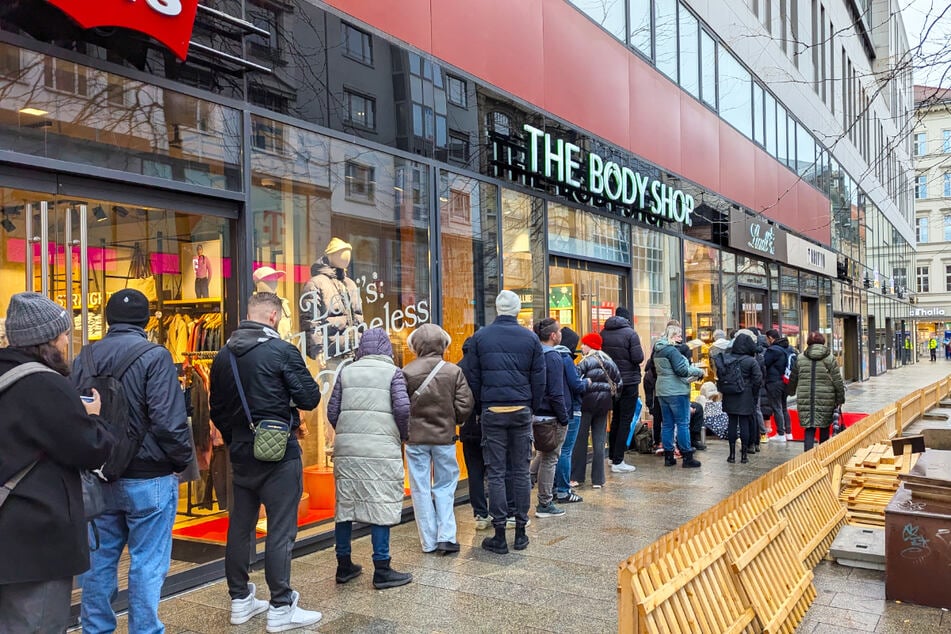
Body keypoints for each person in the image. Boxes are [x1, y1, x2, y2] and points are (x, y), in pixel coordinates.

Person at [75, 289, 195, 634]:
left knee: (99, 562)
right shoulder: (155, 356)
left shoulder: (86, 355)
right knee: (147, 562)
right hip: (150, 476)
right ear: (147, 321)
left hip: (100, 472)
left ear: (110, 319)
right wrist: (180, 460)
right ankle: (144, 629)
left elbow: (76, 410)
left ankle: (95, 628)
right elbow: (167, 420)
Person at [0, 293, 113, 633]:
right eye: (62, 333)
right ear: (46, 339)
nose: (67, 339)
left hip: (9, 527)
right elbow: (90, 448)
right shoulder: (44, 384)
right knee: (37, 624)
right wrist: (93, 418)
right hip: (37, 537)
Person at [209, 292, 323, 631]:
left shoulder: (222, 356)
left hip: (241, 453)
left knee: (240, 528)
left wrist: (238, 440)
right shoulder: (281, 350)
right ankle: (280, 605)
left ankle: (240, 600)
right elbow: (310, 397)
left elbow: (216, 410)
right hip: (278, 452)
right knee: (280, 530)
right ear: (273, 316)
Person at [327, 328, 413, 589]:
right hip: (380, 448)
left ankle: (344, 566)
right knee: (380, 503)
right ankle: (382, 568)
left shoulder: (346, 371)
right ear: (387, 348)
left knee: (346, 506)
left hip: (347, 448)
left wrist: (346, 430)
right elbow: (403, 408)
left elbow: (333, 410)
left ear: (362, 347)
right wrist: (402, 433)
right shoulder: (393, 373)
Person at [467, 290, 545, 555]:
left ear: (497, 309)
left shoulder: (480, 337)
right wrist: (531, 405)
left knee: (496, 471)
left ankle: (499, 533)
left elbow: (474, 378)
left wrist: (480, 407)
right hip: (521, 408)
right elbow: (539, 378)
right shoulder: (531, 338)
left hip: (492, 410)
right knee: (521, 470)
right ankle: (521, 530)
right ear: (516, 310)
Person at [403, 324, 474, 554]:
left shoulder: (406, 371)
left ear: (416, 346)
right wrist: (454, 420)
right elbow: (465, 405)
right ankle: (447, 536)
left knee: (420, 489)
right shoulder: (453, 371)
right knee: (445, 486)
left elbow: (400, 406)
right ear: (443, 344)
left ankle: (428, 541)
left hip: (415, 439)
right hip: (444, 437)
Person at [529, 318, 572, 518]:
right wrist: (564, 417)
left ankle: (527, 482)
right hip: (551, 416)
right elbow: (556, 392)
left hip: (535, 413)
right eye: (559, 331)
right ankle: (544, 503)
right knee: (550, 458)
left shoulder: (533, 354)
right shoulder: (553, 357)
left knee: (542, 454)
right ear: (553, 335)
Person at [571, 332, 622, 489]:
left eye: (584, 344)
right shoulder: (609, 361)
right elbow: (619, 383)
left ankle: (577, 477)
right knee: (599, 442)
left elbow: (576, 381)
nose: (582, 347)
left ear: (590, 345)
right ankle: (598, 480)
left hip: (586, 405)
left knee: (580, 441)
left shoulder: (585, 362)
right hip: (603, 406)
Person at [652, 324, 705, 468]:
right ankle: (687, 456)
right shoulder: (672, 351)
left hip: (662, 390)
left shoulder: (657, 350)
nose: (681, 338)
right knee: (682, 423)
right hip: (677, 391)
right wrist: (698, 372)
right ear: (672, 336)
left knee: (668, 424)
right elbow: (682, 370)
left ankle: (669, 456)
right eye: (679, 335)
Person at [600, 307, 644, 472]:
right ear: (627, 319)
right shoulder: (631, 334)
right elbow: (638, 357)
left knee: (616, 419)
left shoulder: (603, 333)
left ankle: (612, 457)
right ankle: (619, 460)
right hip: (629, 382)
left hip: (611, 382)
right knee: (625, 419)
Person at [788, 332, 846, 452]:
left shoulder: (800, 358)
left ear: (808, 343)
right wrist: (840, 399)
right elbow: (837, 381)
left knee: (809, 428)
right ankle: (822, 455)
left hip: (805, 397)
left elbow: (793, 378)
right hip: (826, 398)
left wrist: (791, 391)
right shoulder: (830, 359)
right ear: (823, 342)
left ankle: (808, 457)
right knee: (824, 427)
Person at [457, 336, 491, 529]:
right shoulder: (485, 367)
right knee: (494, 469)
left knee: (474, 472)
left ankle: (480, 513)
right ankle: (496, 510)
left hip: (468, 426)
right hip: (488, 424)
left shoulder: (457, 368)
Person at [553, 326, 586, 503]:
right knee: (565, 451)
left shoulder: (550, 356)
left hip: (556, 409)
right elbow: (576, 385)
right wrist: (586, 382)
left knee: (553, 452)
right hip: (571, 408)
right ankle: (563, 490)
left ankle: (551, 488)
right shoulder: (565, 358)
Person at [719, 330, 762, 464]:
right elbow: (758, 379)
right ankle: (744, 455)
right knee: (744, 424)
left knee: (732, 423)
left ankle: (731, 455)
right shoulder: (751, 361)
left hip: (730, 394)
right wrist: (753, 394)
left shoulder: (728, 358)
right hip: (746, 394)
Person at [763, 329, 794, 442]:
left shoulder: (773, 350)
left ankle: (781, 434)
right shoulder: (788, 348)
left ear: (770, 338)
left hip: (774, 382)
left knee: (776, 407)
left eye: (767, 339)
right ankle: (789, 433)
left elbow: (764, 363)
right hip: (786, 381)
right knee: (784, 407)